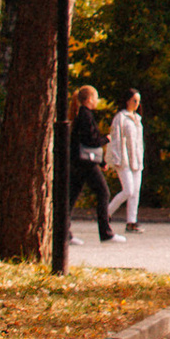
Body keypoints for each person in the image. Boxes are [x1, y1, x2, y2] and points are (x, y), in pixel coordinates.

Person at [68, 83, 113, 242]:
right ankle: (105, 232)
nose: (97, 101)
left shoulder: (82, 114)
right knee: (103, 192)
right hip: (86, 163)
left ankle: (63, 232)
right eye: (96, 97)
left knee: (71, 196)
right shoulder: (85, 115)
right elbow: (91, 141)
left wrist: (101, 162)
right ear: (89, 99)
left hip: (79, 161)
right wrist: (105, 139)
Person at [104, 90, 145, 236]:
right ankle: (106, 213)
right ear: (127, 101)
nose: (137, 104)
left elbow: (138, 142)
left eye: (138, 101)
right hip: (124, 159)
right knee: (128, 190)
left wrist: (140, 157)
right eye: (134, 100)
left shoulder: (137, 119)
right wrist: (116, 159)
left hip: (136, 159)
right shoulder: (120, 118)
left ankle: (131, 221)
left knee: (135, 192)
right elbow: (116, 140)